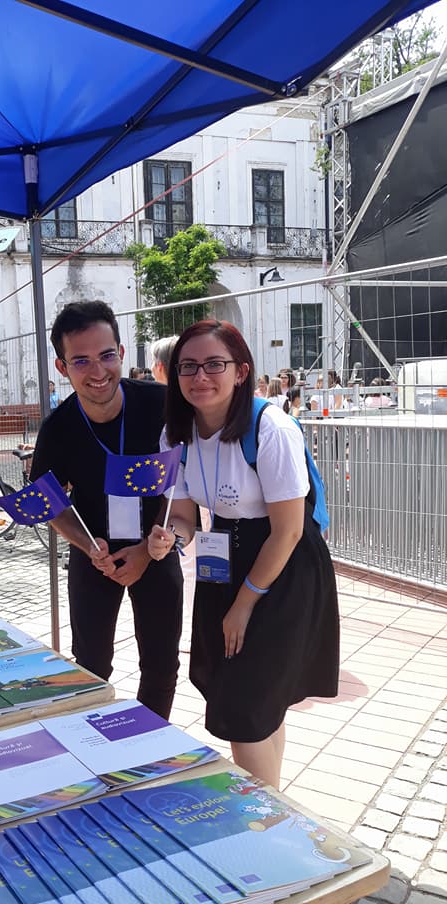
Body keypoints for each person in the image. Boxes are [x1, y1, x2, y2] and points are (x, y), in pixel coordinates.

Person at [146, 319, 339, 788]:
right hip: (223, 556)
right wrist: (171, 537)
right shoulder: (175, 435)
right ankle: (275, 803)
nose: (200, 376)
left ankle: (265, 816)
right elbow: (185, 517)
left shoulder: (270, 428)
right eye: (188, 366)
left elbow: (288, 531)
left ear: (241, 372)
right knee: (254, 699)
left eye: (215, 364)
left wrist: (244, 604)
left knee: (242, 708)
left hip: (283, 565)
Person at [29, 300, 183, 720]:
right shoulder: (58, 428)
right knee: (90, 666)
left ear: (121, 351)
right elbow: (49, 502)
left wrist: (148, 549)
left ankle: (150, 745)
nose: (98, 372)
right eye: (81, 361)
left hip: (155, 548)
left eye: (107, 355)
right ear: (62, 367)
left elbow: (182, 479)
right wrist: (87, 546)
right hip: (94, 557)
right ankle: (95, 744)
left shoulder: (161, 403)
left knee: (161, 664)